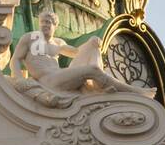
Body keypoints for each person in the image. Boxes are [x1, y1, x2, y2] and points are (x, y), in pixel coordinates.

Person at [11, 10, 142, 95]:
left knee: (92, 45)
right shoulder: (30, 38)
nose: (44, 25)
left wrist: (92, 42)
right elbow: (16, 59)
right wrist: (19, 79)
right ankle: (133, 92)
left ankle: (97, 85)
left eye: (48, 22)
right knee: (93, 70)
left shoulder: (58, 43)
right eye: (42, 22)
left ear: (55, 26)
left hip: (60, 76)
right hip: (47, 81)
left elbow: (78, 53)